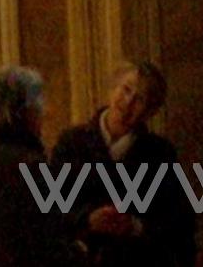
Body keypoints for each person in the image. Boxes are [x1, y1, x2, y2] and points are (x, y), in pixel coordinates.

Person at [47, 64, 193, 267]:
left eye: (139, 99)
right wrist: (87, 219)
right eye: (126, 89)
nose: (128, 102)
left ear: (150, 111)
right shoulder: (72, 143)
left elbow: (177, 223)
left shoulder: (160, 154)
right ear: (113, 88)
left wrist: (134, 226)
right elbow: (49, 208)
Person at [0, 68, 65, 267]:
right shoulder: (32, 166)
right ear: (26, 112)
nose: (46, 112)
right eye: (39, 104)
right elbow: (51, 236)